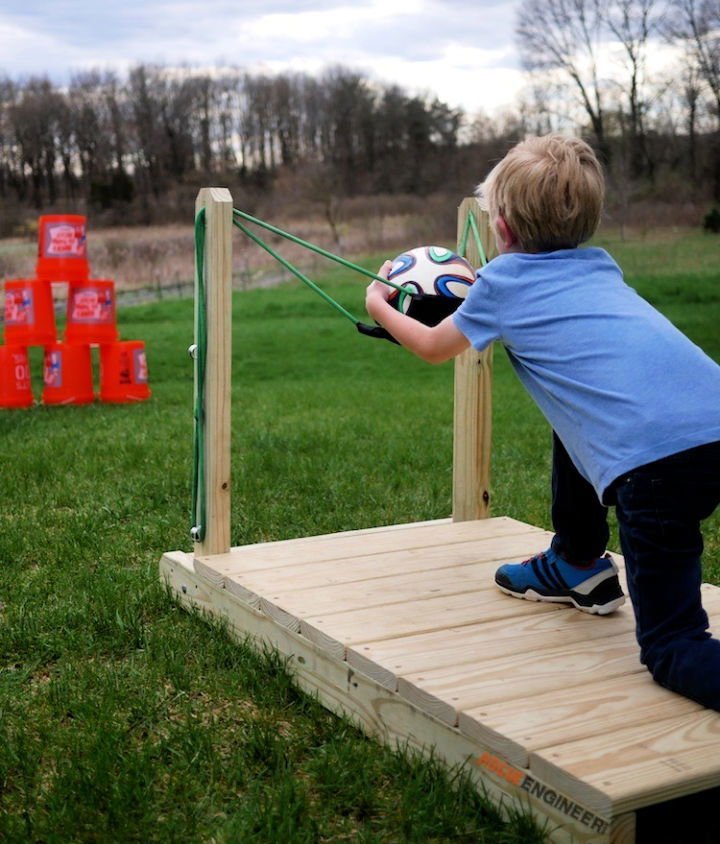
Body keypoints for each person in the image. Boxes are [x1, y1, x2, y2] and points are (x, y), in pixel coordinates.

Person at [365, 133, 720, 710]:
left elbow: (434, 346)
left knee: (673, 647)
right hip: (711, 421)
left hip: (655, 468)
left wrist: (379, 302)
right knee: (577, 415)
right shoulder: (601, 269)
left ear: (501, 230)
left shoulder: (499, 285)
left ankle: (590, 570)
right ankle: (577, 563)